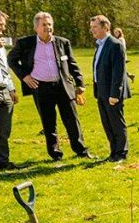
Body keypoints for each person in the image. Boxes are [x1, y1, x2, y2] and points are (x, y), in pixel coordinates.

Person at [8, 11, 93, 161]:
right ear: (36, 28)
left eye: (50, 24)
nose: (48, 27)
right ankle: (55, 154)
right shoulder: (25, 43)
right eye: (44, 25)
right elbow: (11, 60)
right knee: (48, 122)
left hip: (63, 86)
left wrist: (79, 83)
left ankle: (81, 150)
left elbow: (72, 64)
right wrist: (24, 76)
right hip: (40, 88)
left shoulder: (62, 42)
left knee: (72, 119)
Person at [89, 15, 132, 162]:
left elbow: (118, 72)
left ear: (105, 27)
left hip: (112, 92)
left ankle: (121, 153)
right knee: (107, 123)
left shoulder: (115, 44)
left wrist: (115, 94)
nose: (92, 30)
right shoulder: (99, 44)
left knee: (116, 123)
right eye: (91, 27)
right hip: (101, 90)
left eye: (95, 27)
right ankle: (113, 152)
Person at [0, 9, 18, 171]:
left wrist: (11, 88)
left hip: (4, 90)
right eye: (0, 24)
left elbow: (4, 67)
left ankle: (2, 162)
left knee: (3, 130)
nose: (3, 28)